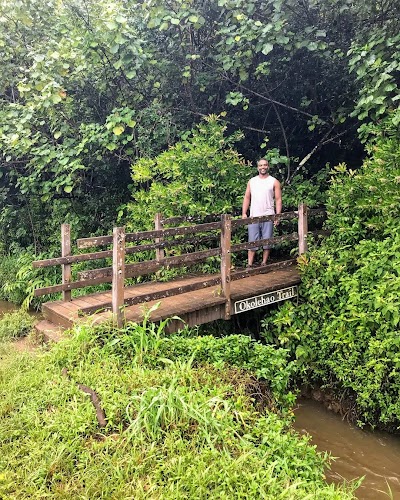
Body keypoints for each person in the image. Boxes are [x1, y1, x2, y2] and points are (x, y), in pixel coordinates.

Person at [242, 158, 282, 267]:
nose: (263, 167)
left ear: (268, 166)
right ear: (257, 167)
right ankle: (249, 264)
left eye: (265, 165)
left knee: (267, 241)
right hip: (254, 215)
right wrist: (244, 213)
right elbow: (247, 197)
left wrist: (277, 216)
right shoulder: (252, 181)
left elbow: (278, 199)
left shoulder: (274, 181)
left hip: (268, 215)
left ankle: (264, 263)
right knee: (252, 241)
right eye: (260, 165)